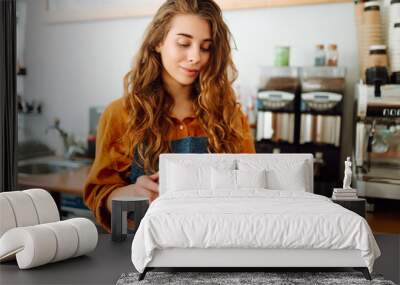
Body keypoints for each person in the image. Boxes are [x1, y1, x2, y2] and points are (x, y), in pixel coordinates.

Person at [84, 0, 256, 232]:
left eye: (205, 47)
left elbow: (251, 188)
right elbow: (99, 196)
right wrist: (134, 193)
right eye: (184, 43)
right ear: (158, 42)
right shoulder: (120, 114)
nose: (195, 56)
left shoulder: (229, 115)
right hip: (142, 253)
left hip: (215, 246)